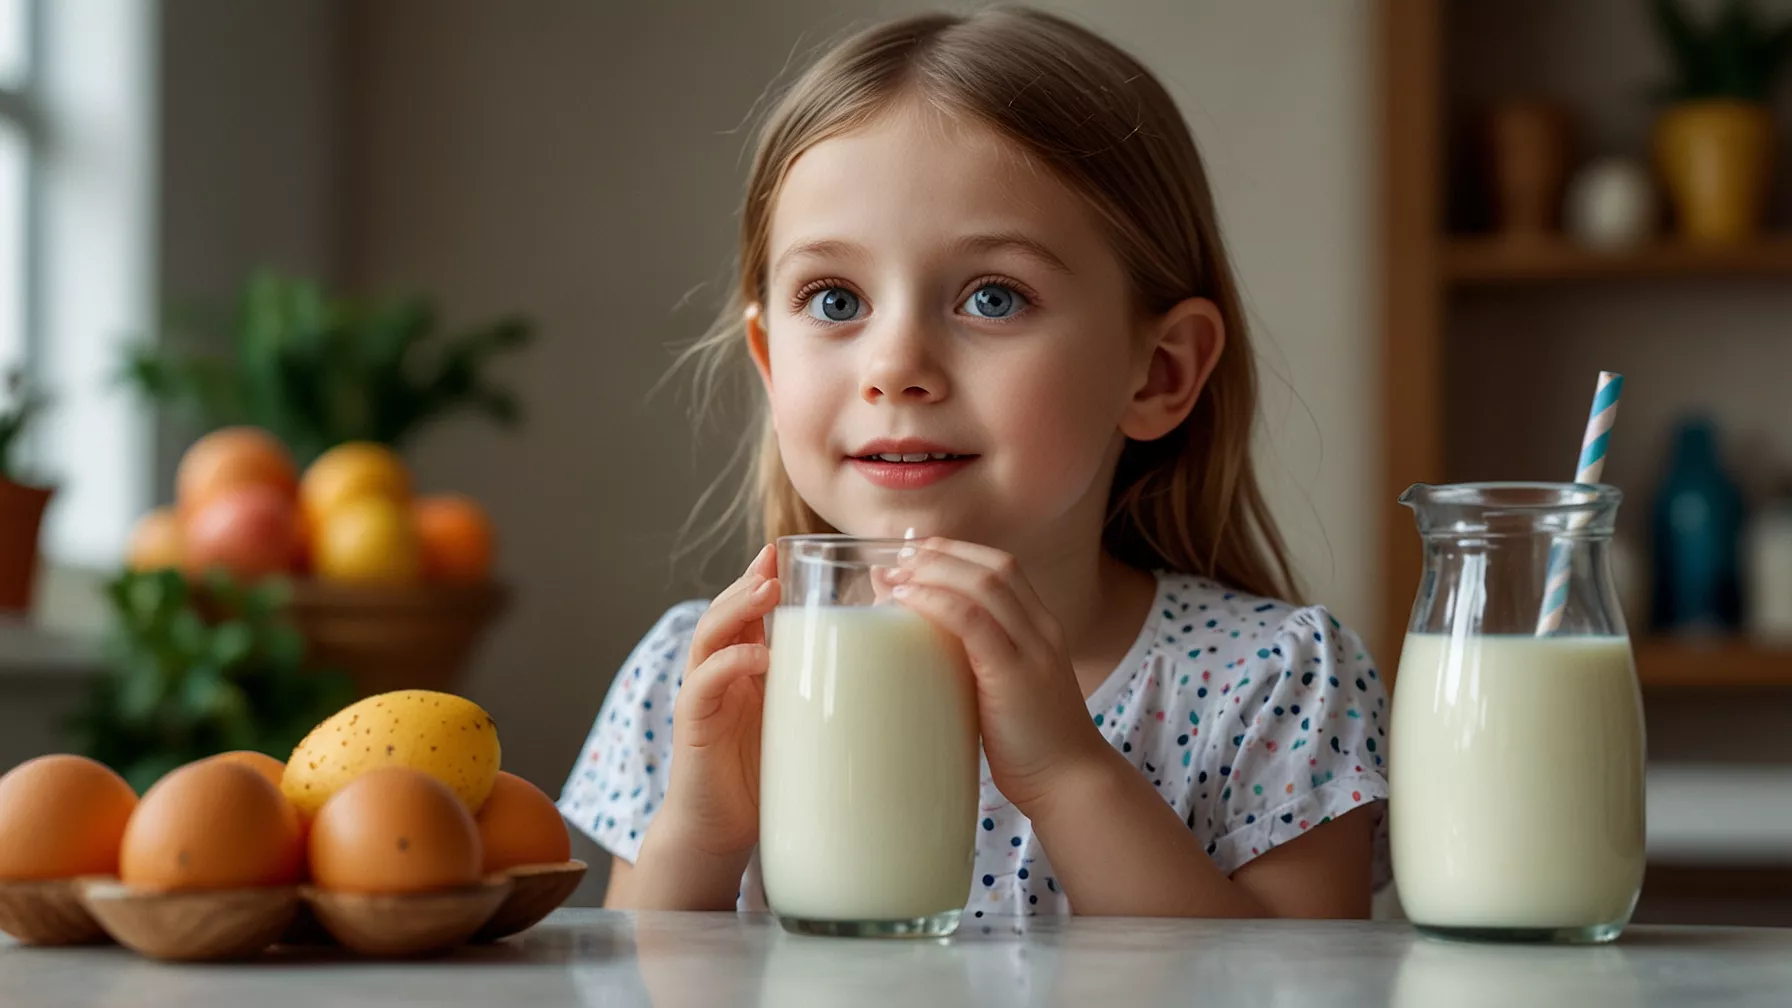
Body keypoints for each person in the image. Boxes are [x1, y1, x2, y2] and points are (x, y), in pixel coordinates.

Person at [560, 7, 1388, 919]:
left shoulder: (1272, 684)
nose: (894, 367)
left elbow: (1286, 982)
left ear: (1160, 372)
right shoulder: (699, 679)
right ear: (769, 362)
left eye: (994, 297)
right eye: (834, 300)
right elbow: (639, 981)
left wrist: (1069, 773)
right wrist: (700, 836)